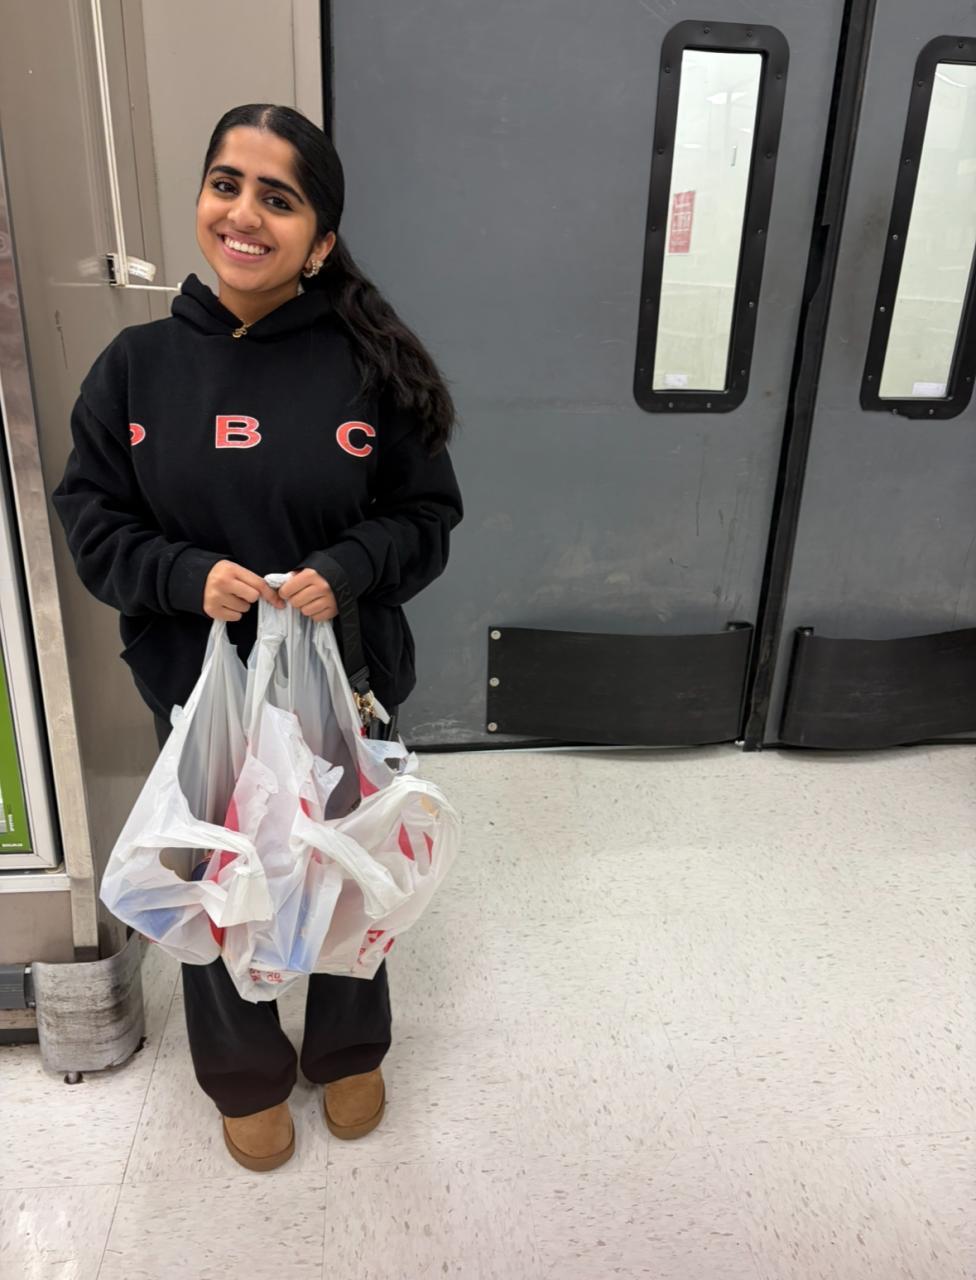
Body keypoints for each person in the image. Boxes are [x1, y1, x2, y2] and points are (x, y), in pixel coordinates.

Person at [52, 103, 463, 1172]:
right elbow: (92, 522)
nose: (243, 214)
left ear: (319, 240)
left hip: (344, 678)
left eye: (278, 199)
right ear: (201, 199)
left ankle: (349, 1045)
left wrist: (349, 566)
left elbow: (426, 519)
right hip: (199, 687)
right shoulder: (134, 369)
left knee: (341, 860)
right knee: (217, 871)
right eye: (225, 184)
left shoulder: (372, 365)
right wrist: (184, 577)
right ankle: (242, 1073)